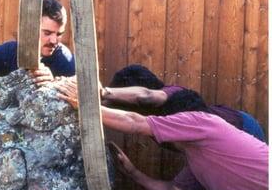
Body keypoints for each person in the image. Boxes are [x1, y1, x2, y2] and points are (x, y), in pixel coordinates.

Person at [55, 78, 268, 190]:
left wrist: (85, 106)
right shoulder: (197, 156)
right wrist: (133, 173)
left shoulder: (202, 121)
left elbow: (134, 122)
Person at [100, 64, 266, 142]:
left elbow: (146, 95)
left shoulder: (171, 92)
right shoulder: (153, 120)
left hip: (244, 127)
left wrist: (104, 92)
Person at [0, 0, 75, 100]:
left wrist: (54, 84)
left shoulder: (64, 59)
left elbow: (83, 97)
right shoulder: (7, 52)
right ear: (30, 29)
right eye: (47, 33)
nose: (54, 41)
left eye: (59, 34)